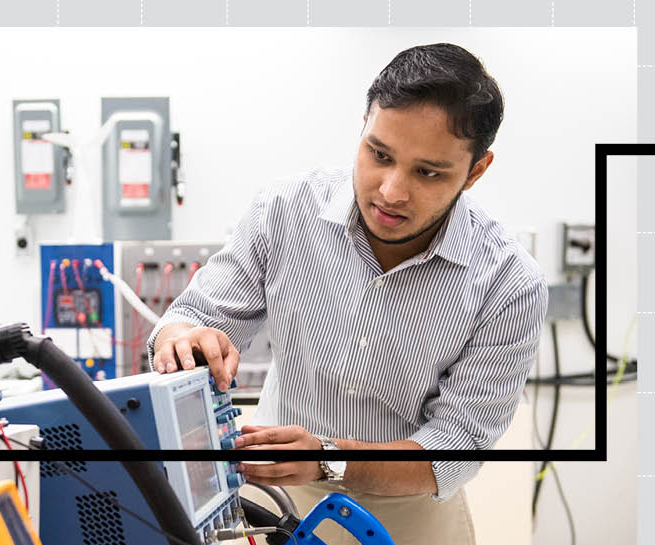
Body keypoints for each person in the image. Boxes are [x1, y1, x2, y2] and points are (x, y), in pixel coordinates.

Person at [147, 42, 546, 545]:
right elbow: (196, 314)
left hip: (408, 516)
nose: (391, 191)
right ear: (363, 126)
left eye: (428, 172)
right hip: (275, 502)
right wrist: (182, 337)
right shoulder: (286, 210)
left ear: (477, 170)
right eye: (379, 154)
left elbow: (454, 447)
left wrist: (327, 458)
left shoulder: (508, 282)